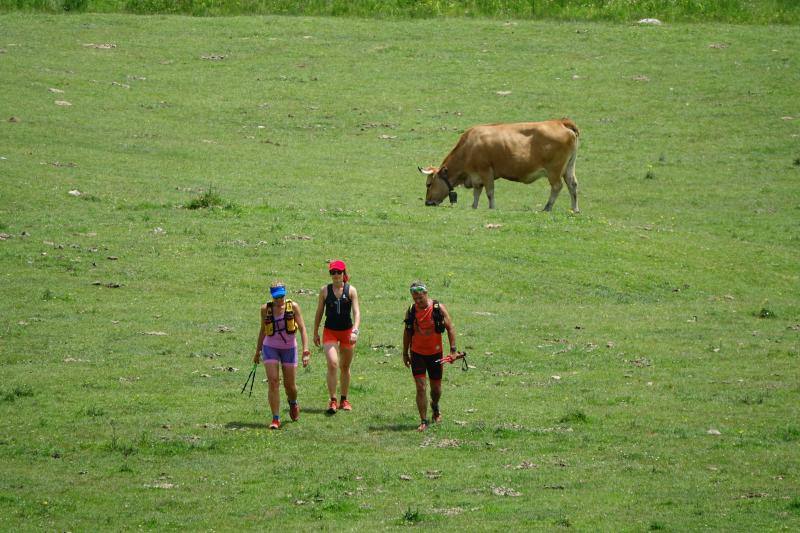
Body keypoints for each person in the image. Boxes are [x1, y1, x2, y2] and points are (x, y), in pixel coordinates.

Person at [253, 281, 310, 429]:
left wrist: (305, 350)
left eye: (282, 297)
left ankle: (293, 403)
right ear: (272, 296)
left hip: (289, 348)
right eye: (276, 297)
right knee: (273, 382)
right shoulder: (265, 309)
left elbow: (303, 329)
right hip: (270, 347)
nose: (279, 300)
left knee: (290, 385)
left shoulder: (294, 307)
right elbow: (263, 330)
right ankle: (275, 418)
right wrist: (257, 351)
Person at [402, 281, 457, 432]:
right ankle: (423, 420)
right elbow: (407, 332)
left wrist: (453, 351)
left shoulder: (438, 308)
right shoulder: (411, 310)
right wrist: (405, 353)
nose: (418, 301)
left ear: (426, 293)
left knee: (436, 389)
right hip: (417, 354)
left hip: (435, 354)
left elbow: (450, 328)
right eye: (415, 299)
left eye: (420, 298)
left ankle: (435, 406)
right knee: (420, 387)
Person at [313, 260, 361, 414]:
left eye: (338, 272)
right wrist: (315, 332)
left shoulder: (351, 290)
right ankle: (333, 400)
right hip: (330, 332)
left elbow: (357, 312)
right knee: (333, 364)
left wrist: (355, 330)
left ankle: (344, 399)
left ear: (343, 273)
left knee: (345, 367)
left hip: (347, 332)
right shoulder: (325, 291)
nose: (335, 275)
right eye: (332, 272)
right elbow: (319, 312)